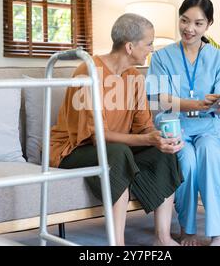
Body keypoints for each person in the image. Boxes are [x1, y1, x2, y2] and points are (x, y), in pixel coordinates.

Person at [50, 13, 184, 246]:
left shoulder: (135, 77)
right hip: (73, 150)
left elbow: (143, 126)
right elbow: (97, 136)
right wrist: (148, 140)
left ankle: (162, 238)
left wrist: (161, 139)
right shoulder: (88, 71)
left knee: (163, 152)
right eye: (149, 43)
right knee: (118, 153)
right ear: (130, 46)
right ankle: (117, 244)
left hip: (114, 147)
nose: (151, 49)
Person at [147, 0, 220, 246]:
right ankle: (187, 229)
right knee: (186, 159)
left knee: (210, 154)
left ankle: (218, 233)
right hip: (175, 125)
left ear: (208, 25)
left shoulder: (219, 59)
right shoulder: (161, 57)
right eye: (184, 20)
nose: (189, 29)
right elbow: (158, 99)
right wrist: (193, 104)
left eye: (198, 23)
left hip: (211, 127)